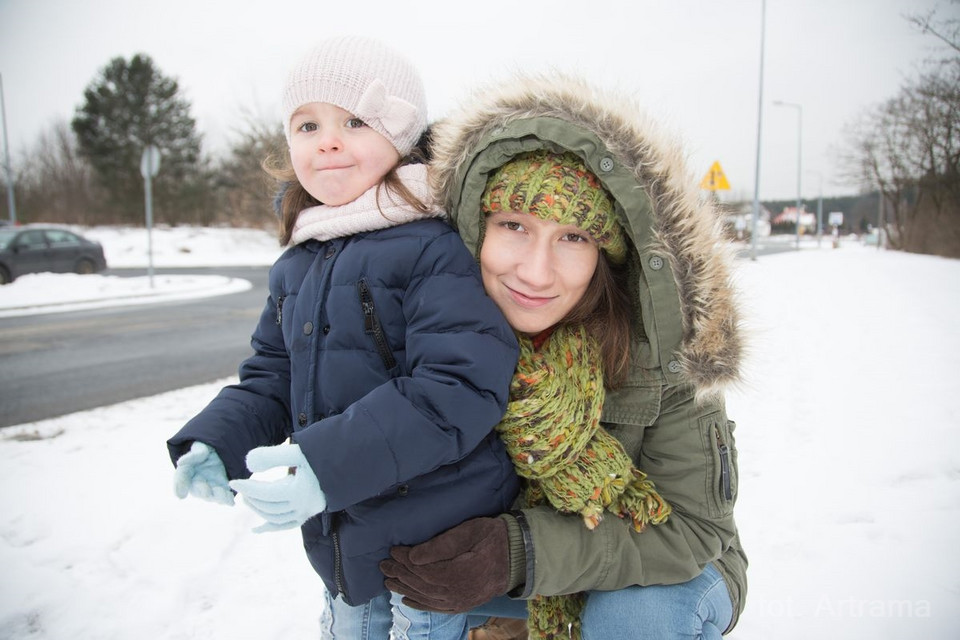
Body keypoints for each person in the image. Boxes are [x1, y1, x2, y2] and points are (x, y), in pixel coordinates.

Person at [166, 36, 520, 639]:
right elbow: (272, 377)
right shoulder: (299, 261)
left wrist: (325, 465)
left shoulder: (436, 246)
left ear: (402, 135)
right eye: (307, 125)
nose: (327, 140)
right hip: (343, 536)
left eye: (353, 120)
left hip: (433, 545)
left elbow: (458, 388)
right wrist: (216, 441)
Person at [379, 73, 749, 640]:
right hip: (497, 574)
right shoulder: (436, 335)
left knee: (634, 618)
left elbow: (693, 530)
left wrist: (520, 553)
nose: (535, 271)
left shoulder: (664, 346)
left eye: (573, 237)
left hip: (674, 566)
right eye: (513, 226)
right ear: (477, 228)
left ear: (605, 252)